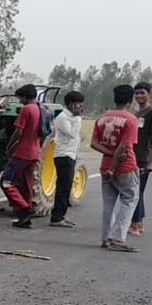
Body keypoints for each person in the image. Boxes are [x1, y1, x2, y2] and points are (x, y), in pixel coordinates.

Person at [91, 84, 140, 252]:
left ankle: (105, 238)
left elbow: (93, 143)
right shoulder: (131, 119)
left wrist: (110, 156)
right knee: (129, 200)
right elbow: (124, 146)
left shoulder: (102, 117)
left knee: (108, 204)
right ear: (131, 99)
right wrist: (114, 165)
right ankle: (118, 238)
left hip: (105, 165)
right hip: (125, 167)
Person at [1, 84, 42, 228]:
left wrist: (9, 146)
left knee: (6, 181)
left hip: (22, 152)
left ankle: (25, 209)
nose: (19, 101)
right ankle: (25, 218)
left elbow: (18, 132)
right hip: (35, 152)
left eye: (19, 98)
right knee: (26, 184)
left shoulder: (26, 109)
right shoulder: (39, 108)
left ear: (24, 97)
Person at [128, 81, 152, 236]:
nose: (139, 96)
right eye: (137, 93)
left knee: (136, 191)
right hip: (133, 157)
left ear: (149, 94)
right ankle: (139, 222)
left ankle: (135, 224)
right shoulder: (136, 114)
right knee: (136, 191)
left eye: (142, 93)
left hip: (143, 158)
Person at [49, 90, 84, 227]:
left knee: (66, 186)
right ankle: (57, 217)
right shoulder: (63, 117)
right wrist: (77, 118)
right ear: (71, 104)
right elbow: (72, 134)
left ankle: (60, 215)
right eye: (78, 104)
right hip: (63, 155)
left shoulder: (70, 117)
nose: (80, 107)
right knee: (63, 187)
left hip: (70, 154)